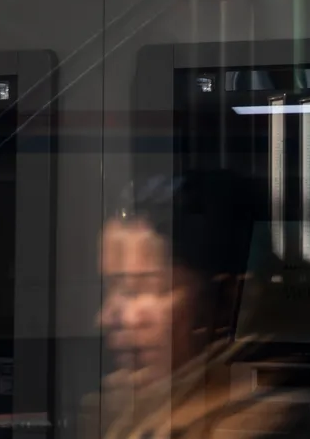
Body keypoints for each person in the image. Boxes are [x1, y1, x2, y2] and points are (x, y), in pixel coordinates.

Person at [79, 171, 285, 439]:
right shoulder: (125, 406)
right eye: (110, 289)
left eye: (140, 289)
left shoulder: (247, 423)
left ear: (225, 300)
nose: (106, 317)